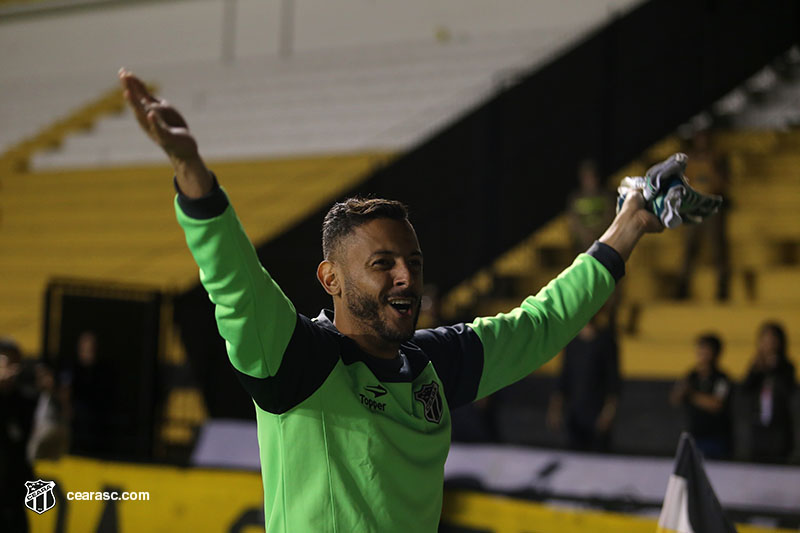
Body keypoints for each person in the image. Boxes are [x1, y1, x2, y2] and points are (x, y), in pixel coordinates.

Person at [119, 68, 663, 532]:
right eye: (383, 264)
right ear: (331, 279)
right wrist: (191, 170)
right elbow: (234, 281)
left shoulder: (436, 365)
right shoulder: (296, 360)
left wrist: (629, 224)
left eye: (414, 263)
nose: (407, 277)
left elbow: (542, 322)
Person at [547, 305, 620, 452]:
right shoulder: (572, 342)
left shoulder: (606, 341)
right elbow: (564, 378)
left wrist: (607, 414)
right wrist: (555, 409)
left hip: (597, 416)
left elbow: (613, 382)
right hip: (575, 416)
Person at [675, 130, 730, 301]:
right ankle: (683, 285)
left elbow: (723, 182)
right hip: (693, 207)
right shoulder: (688, 159)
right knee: (689, 248)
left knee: (717, 247)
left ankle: (722, 285)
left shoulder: (717, 158)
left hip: (711, 206)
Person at [670, 334, 733, 460]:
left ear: (715, 353)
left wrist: (692, 395)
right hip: (694, 436)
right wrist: (681, 392)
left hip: (716, 438)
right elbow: (674, 399)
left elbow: (716, 404)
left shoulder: (721, 378)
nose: (702, 353)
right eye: (700, 349)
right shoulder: (691, 376)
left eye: (706, 349)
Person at [742, 322, 797, 463]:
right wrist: (758, 369)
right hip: (759, 426)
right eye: (765, 340)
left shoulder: (787, 366)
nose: (769, 344)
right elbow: (745, 389)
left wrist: (775, 368)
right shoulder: (756, 366)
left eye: (773, 340)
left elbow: (788, 391)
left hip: (779, 427)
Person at [0, 338, 36, 533]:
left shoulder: (22, 401)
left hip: (13, 496)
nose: (12, 371)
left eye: (16, 364)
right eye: (7, 363)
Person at [567, 159, 617, 256]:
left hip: (603, 243)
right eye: (586, 177)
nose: (589, 180)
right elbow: (573, 221)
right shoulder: (575, 198)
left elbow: (610, 217)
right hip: (583, 246)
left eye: (592, 176)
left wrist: (597, 234)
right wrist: (585, 235)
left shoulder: (606, 197)